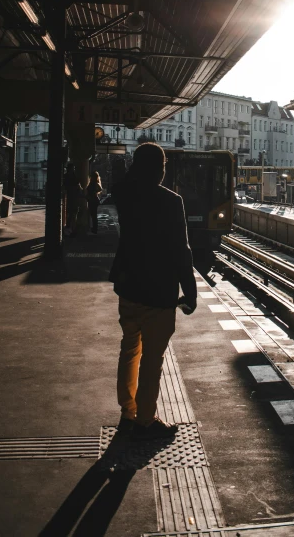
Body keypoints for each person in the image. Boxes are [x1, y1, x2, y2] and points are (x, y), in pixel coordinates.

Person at [110, 142, 197, 439]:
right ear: (160, 169)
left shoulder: (124, 195)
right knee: (152, 359)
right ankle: (145, 419)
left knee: (129, 349)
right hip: (158, 290)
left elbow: (120, 181)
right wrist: (191, 291)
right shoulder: (171, 201)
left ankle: (127, 412)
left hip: (128, 286)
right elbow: (181, 250)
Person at [63, 164, 83, 236]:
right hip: (73, 199)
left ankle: (68, 228)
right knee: (73, 214)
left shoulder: (65, 177)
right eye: (73, 168)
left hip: (68, 198)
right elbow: (79, 188)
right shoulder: (74, 178)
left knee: (69, 214)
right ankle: (72, 229)